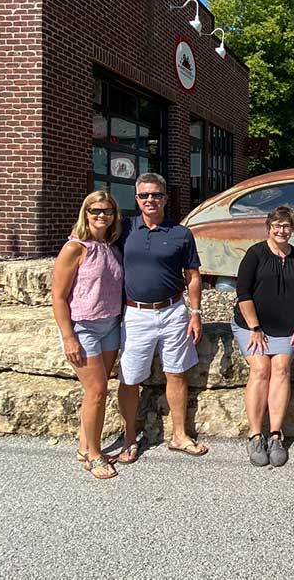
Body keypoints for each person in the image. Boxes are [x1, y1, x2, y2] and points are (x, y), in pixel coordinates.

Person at [115, 172, 208, 464]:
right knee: (129, 378)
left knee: (176, 373)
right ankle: (130, 437)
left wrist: (195, 313)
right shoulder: (124, 229)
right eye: (144, 195)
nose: (150, 200)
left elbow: (193, 276)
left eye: (156, 194)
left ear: (166, 198)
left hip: (173, 312)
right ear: (137, 199)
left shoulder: (181, 233)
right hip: (135, 314)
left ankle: (179, 435)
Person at [232, 206, 294, 468]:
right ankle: (255, 434)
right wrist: (255, 327)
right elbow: (243, 292)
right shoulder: (255, 254)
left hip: (287, 328)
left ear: (292, 228)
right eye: (277, 226)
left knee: (280, 369)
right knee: (260, 369)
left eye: (286, 226)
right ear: (268, 227)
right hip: (251, 326)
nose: (281, 231)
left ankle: (276, 434)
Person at [51, 191, 124, 479]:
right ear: (86, 213)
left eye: (107, 211)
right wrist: (68, 337)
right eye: (95, 211)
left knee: (97, 391)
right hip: (83, 327)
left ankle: (85, 444)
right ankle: (94, 455)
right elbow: (58, 296)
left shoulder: (111, 246)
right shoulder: (75, 248)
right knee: (97, 390)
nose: (101, 216)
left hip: (110, 324)